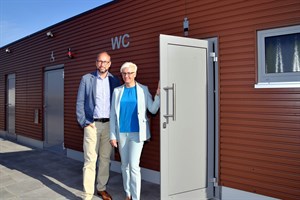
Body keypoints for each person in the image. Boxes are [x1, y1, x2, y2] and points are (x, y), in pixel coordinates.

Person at [109, 62, 160, 200]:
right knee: (124, 165)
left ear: (135, 74)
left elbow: (153, 109)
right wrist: (113, 136)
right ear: (122, 75)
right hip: (121, 134)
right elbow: (113, 115)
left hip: (137, 134)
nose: (127, 76)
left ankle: (136, 197)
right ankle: (128, 193)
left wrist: (159, 96)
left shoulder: (143, 89)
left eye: (130, 73)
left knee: (134, 166)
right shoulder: (117, 91)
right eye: (124, 73)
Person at [76, 52, 121, 200]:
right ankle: (87, 195)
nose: (102, 64)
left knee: (105, 159)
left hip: (109, 125)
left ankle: (101, 188)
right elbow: (80, 102)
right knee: (90, 160)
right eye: (100, 61)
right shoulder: (86, 79)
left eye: (105, 62)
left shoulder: (115, 80)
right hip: (92, 125)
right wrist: (84, 122)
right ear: (96, 63)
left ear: (109, 64)